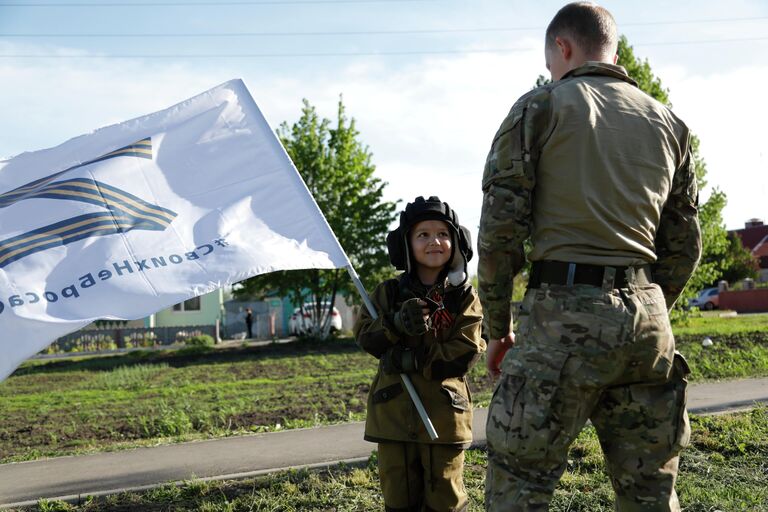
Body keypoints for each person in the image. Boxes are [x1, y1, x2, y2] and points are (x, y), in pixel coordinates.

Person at [478, 3, 702, 511]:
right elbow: (686, 244)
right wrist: (648, 302)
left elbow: (499, 234)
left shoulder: (540, 107)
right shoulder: (669, 124)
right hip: (648, 329)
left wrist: (497, 329)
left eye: (551, 61)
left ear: (563, 47)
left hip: (561, 318)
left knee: (521, 478)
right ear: (614, 50)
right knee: (651, 490)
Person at [354, 196, 486, 512]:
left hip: (444, 416)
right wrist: (395, 323)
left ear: (457, 242)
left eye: (442, 234)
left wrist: (415, 360)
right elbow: (365, 337)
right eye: (422, 235)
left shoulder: (464, 297)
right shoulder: (387, 293)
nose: (434, 242)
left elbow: (466, 351)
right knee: (399, 498)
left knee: (445, 497)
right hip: (393, 414)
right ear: (406, 244)